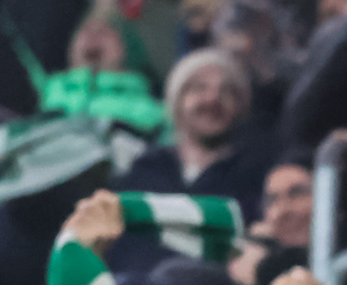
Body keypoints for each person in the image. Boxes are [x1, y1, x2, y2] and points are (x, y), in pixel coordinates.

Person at [118, 49, 278, 216]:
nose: (213, 98)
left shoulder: (256, 175)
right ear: (177, 101)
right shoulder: (147, 168)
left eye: (227, 91)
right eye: (199, 87)